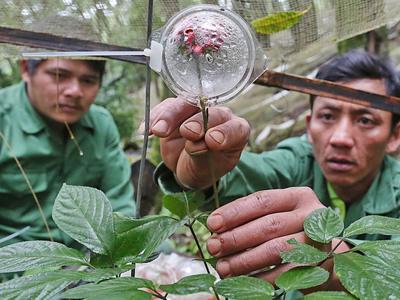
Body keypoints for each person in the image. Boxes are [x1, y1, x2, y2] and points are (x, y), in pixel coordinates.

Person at [146, 49, 400, 290]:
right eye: (328, 116)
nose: (340, 138)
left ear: (394, 136)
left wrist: (341, 265)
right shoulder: (296, 162)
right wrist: (202, 169)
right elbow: (248, 174)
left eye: (366, 120)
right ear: (309, 127)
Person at [0, 58, 134, 246]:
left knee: (164, 254)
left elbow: (119, 204)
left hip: (87, 256)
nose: (75, 91)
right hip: (14, 259)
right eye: (59, 76)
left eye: (88, 80)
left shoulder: (101, 124)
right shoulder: (3, 119)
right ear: (25, 69)